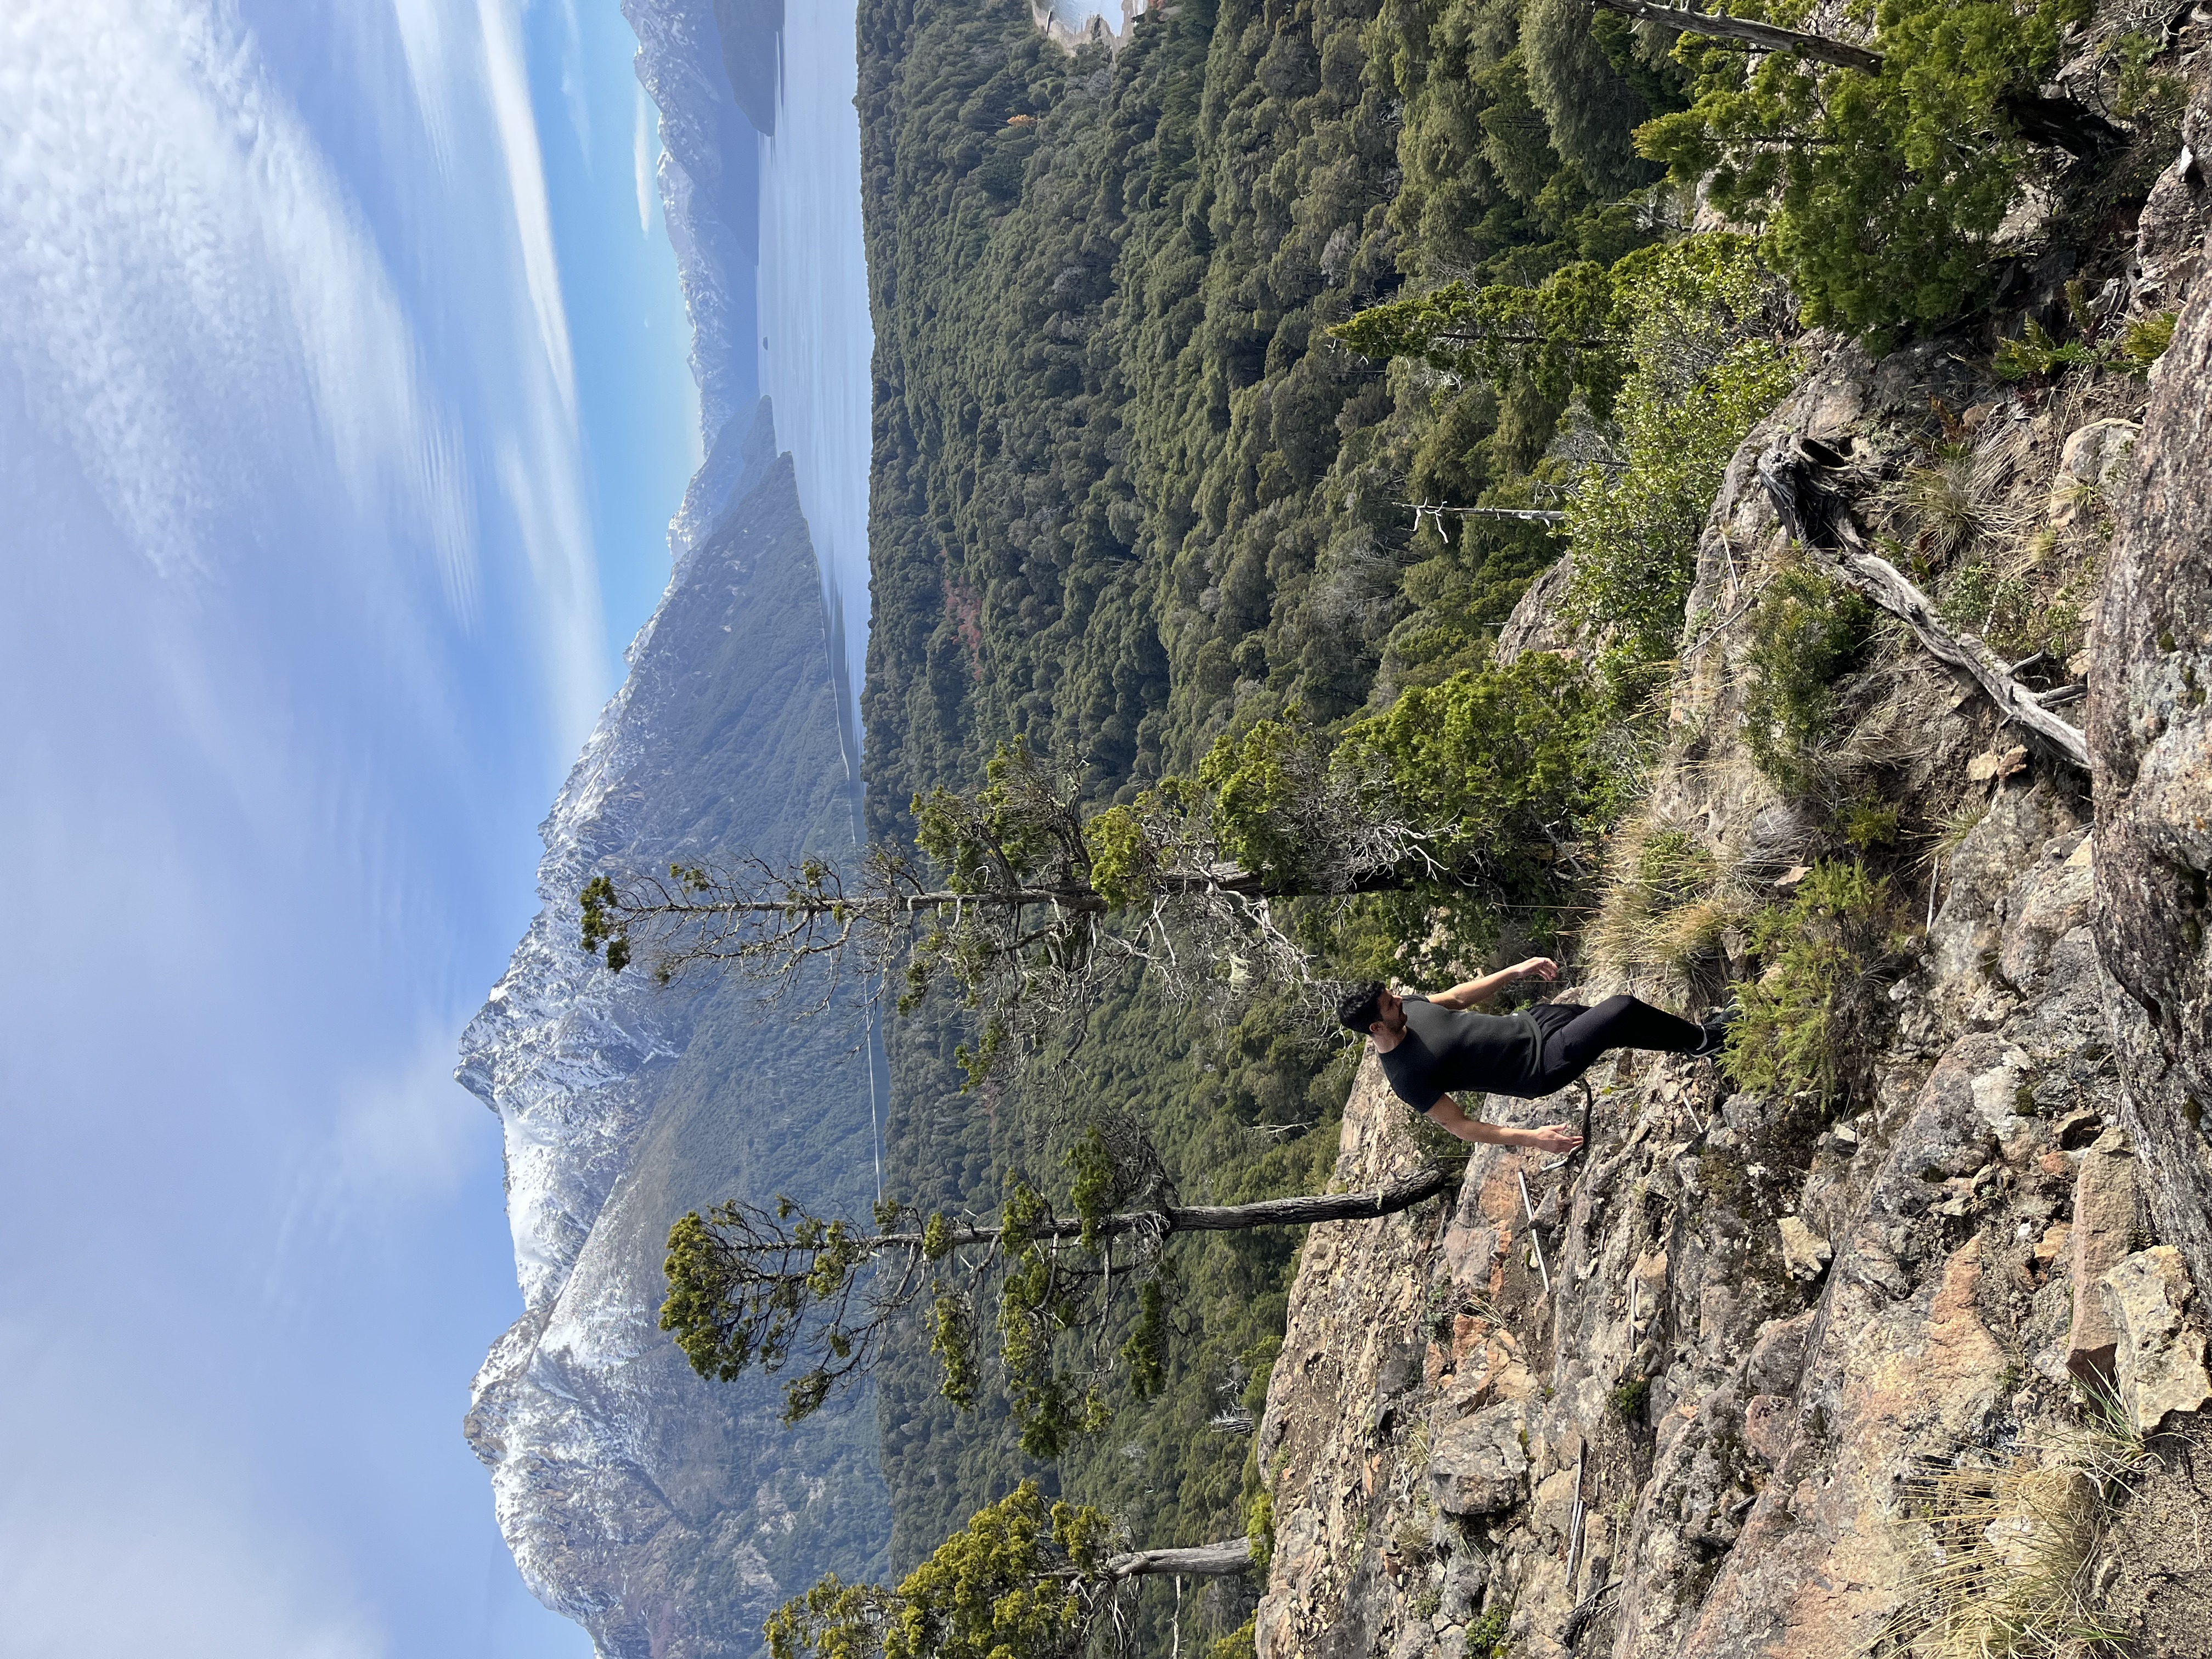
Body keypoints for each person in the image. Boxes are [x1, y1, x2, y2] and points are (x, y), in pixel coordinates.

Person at [1338, 960, 1735, 1154]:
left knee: (1617, 1028)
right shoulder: (1405, 1075)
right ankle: (1705, 1040)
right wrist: (1533, 1139)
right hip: (1540, 1065)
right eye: (1390, 1004)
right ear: (1375, 1027)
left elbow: (1458, 996)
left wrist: (1516, 971)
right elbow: (1461, 1126)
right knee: (1622, 1009)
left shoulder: (1409, 1009)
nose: (1400, 999)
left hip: (1535, 1021)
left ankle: (1699, 1044)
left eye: (1393, 995)